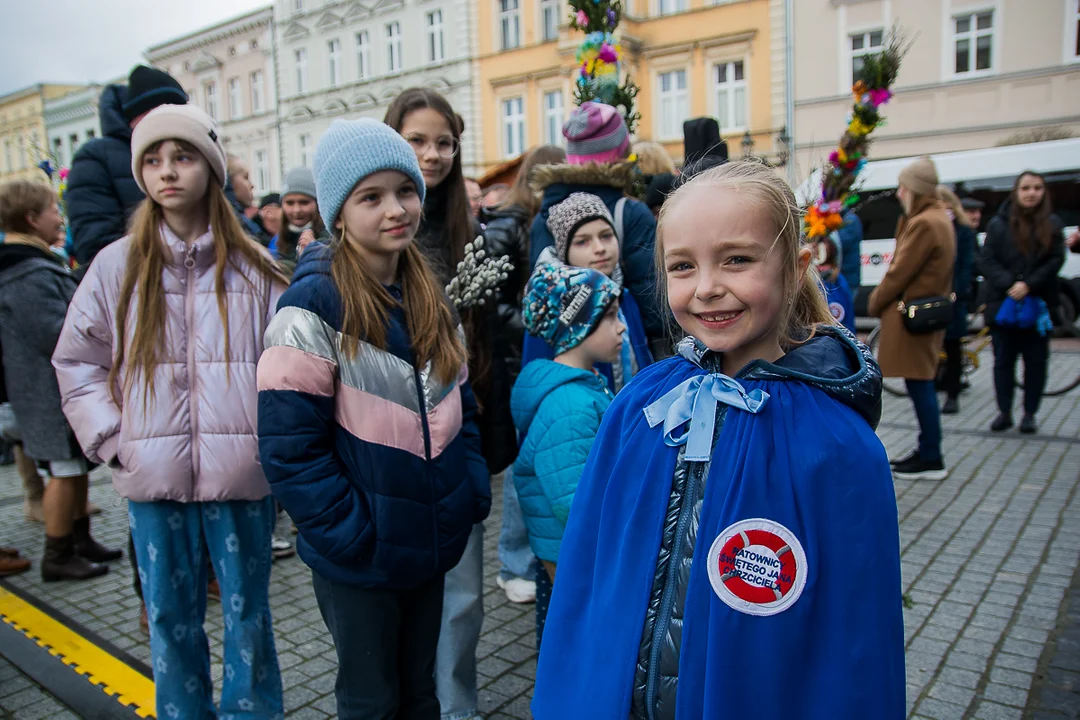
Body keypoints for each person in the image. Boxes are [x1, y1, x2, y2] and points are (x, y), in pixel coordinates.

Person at [531, 161, 903, 719]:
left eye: (737, 259)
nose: (707, 287)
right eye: (682, 266)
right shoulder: (644, 407)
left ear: (795, 267)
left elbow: (854, 638)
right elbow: (591, 572)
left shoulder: (837, 445)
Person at [53, 104, 287, 718]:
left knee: (247, 614)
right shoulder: (116, 266)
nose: (168, 172)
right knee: (168, 617)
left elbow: (288, 369)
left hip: (240, 477)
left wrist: (274, 446)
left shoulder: (256, 270)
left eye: (182, 156)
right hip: (152, 477)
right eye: (153, 160)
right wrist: (113, 437)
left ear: (209, 167)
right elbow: (77, 361)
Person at [257, 118, 490, 719]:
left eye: (405, 191)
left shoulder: (429, 297)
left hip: (431, 540)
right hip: (360, 555)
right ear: (338, 213)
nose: (396, 208)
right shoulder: (312, 304)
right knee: (370, 699)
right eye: (371, 196)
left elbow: (459, 406)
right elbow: (290, 446)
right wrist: (349, 533)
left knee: (420, 693)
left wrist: (467, 493)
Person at [385, 86, 506, 720]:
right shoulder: (373, 232)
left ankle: (455, 709)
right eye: (417, 140)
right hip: (386, 440)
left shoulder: (469, 230)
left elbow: (489, 341)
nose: (432, 155)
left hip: (458, 430)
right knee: (395, 601)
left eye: (444, 142)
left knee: (462, 597)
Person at [0, 179, 121, 581]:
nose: (61, 216)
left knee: (76, 468)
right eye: (54, 209)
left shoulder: (35, 264)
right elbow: (56, 332)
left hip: (55, 392)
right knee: (64, 472)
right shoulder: (25, 273)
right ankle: (57, 553)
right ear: (33, 219)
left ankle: (80, 538)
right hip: (46, 395)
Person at [512, 263, 621, 645]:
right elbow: (573, 502)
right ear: (578, 324)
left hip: (572, 553)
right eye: (609, 316)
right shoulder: (570, 405)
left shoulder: (585, 387)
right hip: (574, 557)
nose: (622, 326)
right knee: (576, 642)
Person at [483, 144, 566, 605]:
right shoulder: (509, 224)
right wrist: (541, 321)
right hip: (518, 357)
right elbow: (494, 304)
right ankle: (512, 562)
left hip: (534, 353)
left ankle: (523, 558)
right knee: (523, 462)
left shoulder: (535, 222)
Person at [531, 102, 664, 347]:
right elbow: (652, 301)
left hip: (561, 350)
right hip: (624, 345)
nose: (599, 248)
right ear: (622, 153)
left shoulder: (544, 212)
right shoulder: (631, 212)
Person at [868, 157, 955, 481]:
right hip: (926, 313)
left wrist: (876, 302)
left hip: (913, 315)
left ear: (915, 189)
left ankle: (931, 455)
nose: (899, 193)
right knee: (921, 383)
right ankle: (928, 450)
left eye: (904, 187)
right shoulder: (937, 218)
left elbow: (899, 271)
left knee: (920, 385)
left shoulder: (924, 222)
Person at [525, 192, 653, 392]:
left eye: (606, 236)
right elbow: (540, 379)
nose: (600, 248)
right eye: (582, 241)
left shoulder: (625, 297)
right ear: (564, 251)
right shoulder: (552, 310)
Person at [66, 65, 188, 273]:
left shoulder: (197, 152)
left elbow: (227, 216)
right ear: (137, 116)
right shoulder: (96, 158)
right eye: (161, 110)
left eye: (178, 111)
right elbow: (97, 245)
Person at [978, 170, 1066, 435]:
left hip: (1037, 304)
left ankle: (1030, 413)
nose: (1031, 193)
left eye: (1037, 188)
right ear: (1016, 192)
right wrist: (1009, 283)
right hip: (1003, 305)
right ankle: (1004, 411)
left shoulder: (1052, 223)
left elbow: (1055, 260)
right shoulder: (998, 224)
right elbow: (987, 259)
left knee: (1036, 361)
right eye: (1026, 188)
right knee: (1003, 361)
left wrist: (1028, 284)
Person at [938, 186, 977, 415]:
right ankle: (940, 382)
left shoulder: (962, 230)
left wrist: (958, 293)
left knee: (953, 348)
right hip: (934, 298)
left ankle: (953, 394)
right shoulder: (931, 226)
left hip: (954, 298)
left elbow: (966, 265)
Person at [269, 167, 327, 277]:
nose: (296, 210)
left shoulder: (331, 240)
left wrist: (316, 253)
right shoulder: (275, 242)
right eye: (290, 203)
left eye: (304, 202)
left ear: (317, 203)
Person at [226, 155, 271, 245]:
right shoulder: (230, 224)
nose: (252, 185)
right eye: (246, 177)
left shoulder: (240, 220)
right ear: (228, 182)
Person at [837, 210, 864, 298]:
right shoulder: (844, 219)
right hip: (844, 277)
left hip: (847, 278)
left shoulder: (850, 220)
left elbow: (839, 243)